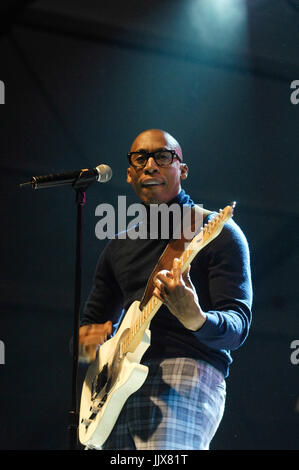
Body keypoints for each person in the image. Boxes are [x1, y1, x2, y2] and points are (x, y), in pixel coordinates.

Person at [78, 129, 253, 450]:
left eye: (163, 156)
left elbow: (237, 328)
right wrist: (85, 344)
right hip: (112, 393)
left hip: (183, 374)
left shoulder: (218, 232)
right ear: (130, 174)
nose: (150, 165)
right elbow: (91, 329)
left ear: (182, 170)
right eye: (140, 158)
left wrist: (195, 317)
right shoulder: (117, 248)